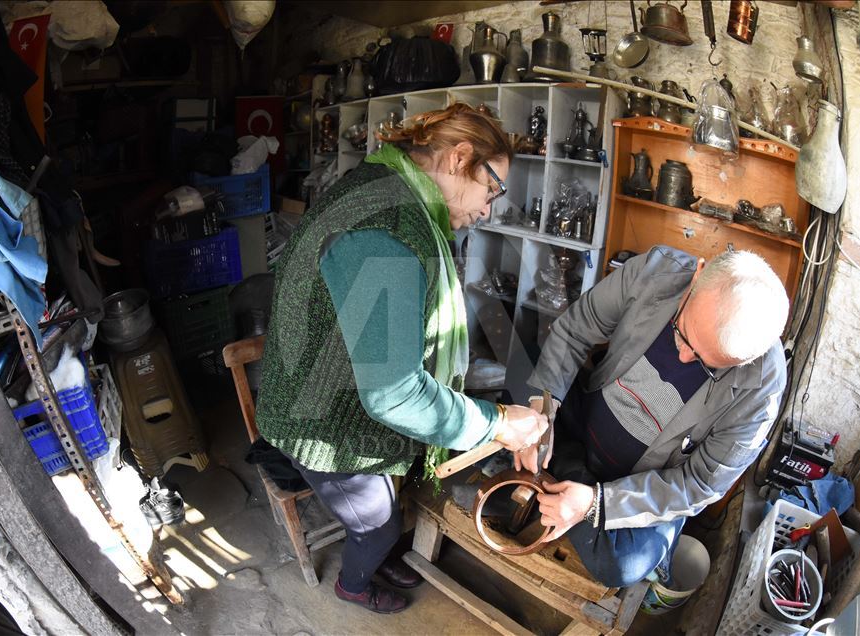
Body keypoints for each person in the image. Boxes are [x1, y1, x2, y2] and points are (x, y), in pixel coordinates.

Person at [255, 103, 548, 613]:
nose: (488, 209)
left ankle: (375, 554)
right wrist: (498, 423)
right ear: (459, 158)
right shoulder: (387, 232)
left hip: (331, 387)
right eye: (493, 188)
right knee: (379, 522)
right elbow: (394, 397)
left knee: (387, 509)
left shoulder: (384, 184)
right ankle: (354, 583)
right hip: (316, 419)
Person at [517, 245, 789, 587]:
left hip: (645, 482)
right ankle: (565, 467)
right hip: (588, 417)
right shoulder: (655, 272)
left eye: (708, 363)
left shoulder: (762, 388)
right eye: (682, 332)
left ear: (746, 361)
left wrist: (596, 503)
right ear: (697, 275)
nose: (684, 356)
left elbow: (699, 484)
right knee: (524, 355)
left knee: (623, 565)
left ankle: (563, 471)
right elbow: (575, 329)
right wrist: (541, 416)